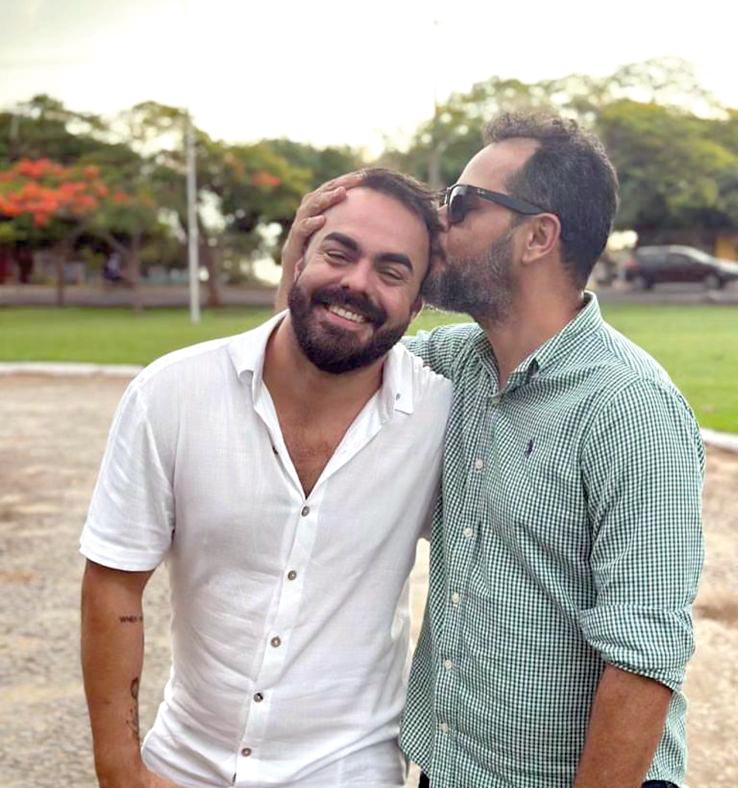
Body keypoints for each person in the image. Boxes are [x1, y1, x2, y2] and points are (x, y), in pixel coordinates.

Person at [280, 113, 704, 788]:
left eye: (462, 204)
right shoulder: (453, 364)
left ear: (537, 236)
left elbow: (643, 658)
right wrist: (305, 254)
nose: (439, 224)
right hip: (449, 768)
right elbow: (316, 362)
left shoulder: (629, 409)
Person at [80, 168, 453, 788]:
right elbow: (114, 583)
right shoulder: (172, 393)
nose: (357, 283)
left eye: (392, 271)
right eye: (339, 252)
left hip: (351, 772)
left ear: (416, 304)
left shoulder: (443, 417)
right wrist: (121, 770)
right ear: (298, 256)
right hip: (184, 763)